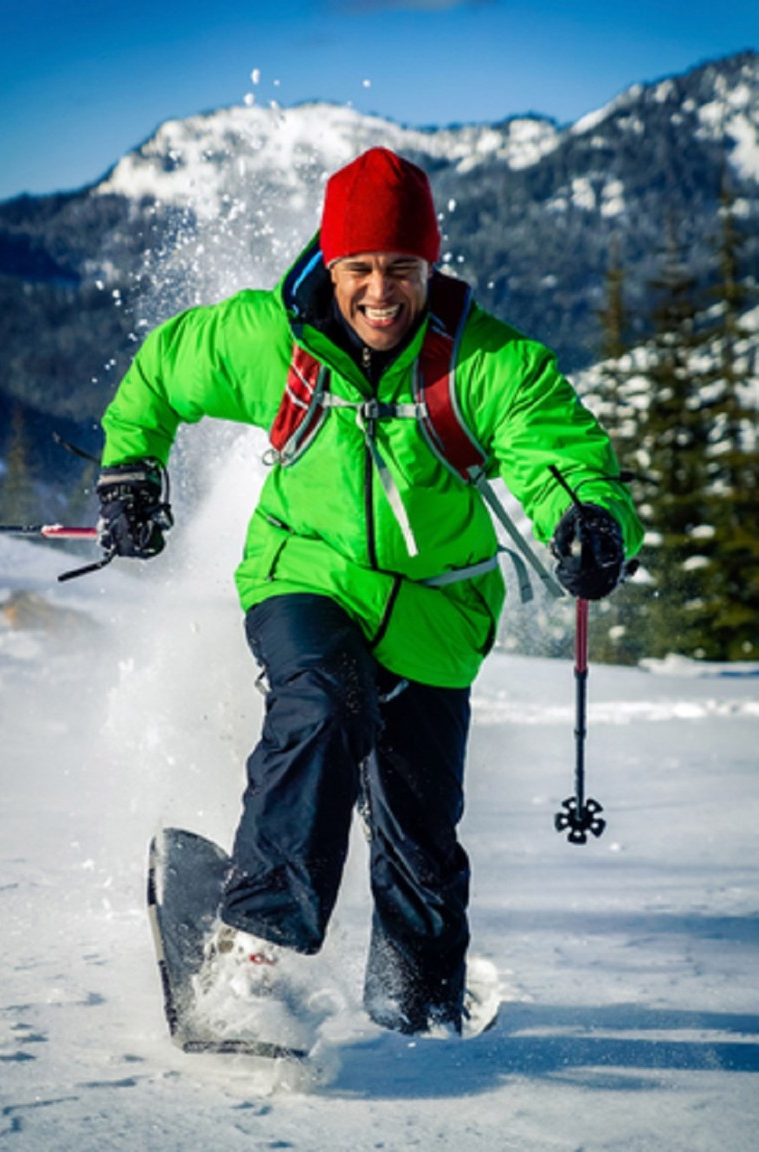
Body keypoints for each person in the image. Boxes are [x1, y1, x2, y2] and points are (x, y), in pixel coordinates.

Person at [96, 147, 643, 1037]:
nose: (379, 291)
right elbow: (162, 372)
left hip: (436, 611)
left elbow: (564, 457)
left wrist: (591, 519)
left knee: (419, 837)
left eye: (401, 268)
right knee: (321, 704)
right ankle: (252, 955)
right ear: (331, 263)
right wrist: (130, 467)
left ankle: (418, 1017)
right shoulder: (272, 340)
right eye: (359, 268)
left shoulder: (490, 363)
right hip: (303, 574)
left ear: (431, 265)